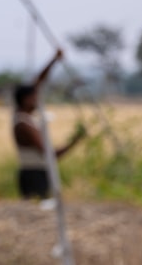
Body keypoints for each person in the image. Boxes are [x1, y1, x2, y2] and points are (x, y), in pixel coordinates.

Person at [12, 49, 86, 199]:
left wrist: (54, 60)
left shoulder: (23, 117)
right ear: (26, 99)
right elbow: (49, 154)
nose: (37, 100)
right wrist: (75, 141)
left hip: (36, 173)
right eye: (34, 97)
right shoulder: (24, 125)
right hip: (34, 175)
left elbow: (37, 81)